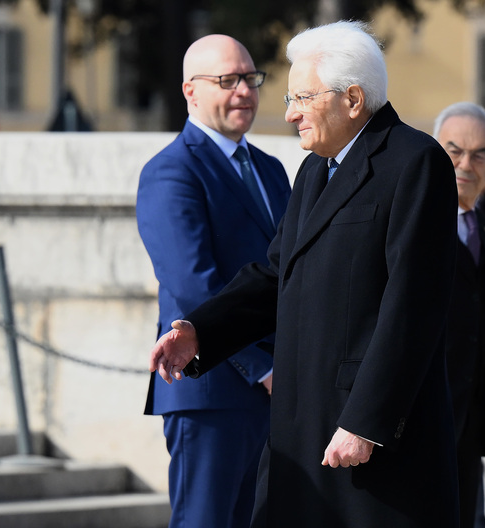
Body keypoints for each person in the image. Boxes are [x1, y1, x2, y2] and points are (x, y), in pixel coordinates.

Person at [148, 20, 460, 528]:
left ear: (353, 99)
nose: (289, 113)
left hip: (368, 443)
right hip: (300, 429)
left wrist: (366, 421)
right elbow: (277, 274)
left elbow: (414, 305)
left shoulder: (415, 162)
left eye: (302, 98)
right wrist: (200, 331)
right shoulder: (315, 168)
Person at [136, 34, 290, 528]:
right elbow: (194, 287)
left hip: (278, 393)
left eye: (250, 78)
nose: (244, 90)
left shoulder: (270, 170)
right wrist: (262, 369)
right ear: (190, 91)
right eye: (228, 80)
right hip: (212, 392)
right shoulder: (171, 171)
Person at [434, 102, 485, 528]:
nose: (465, 164)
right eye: (453, 150)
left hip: (473, 425)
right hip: (420, 426)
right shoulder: (409, 220)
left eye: (479, 154)